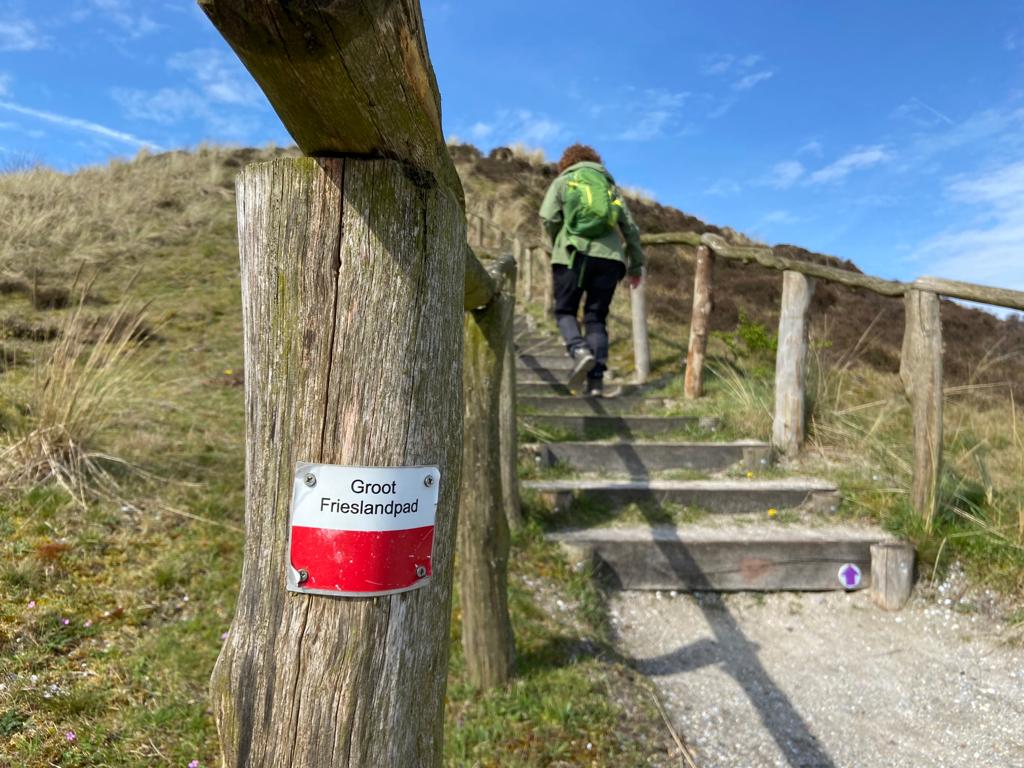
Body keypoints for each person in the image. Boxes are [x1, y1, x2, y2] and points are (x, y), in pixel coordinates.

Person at [539, 144, 645, 397]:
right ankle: (596, 382)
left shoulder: (564, 180)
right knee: (596, 318)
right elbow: (630, 227)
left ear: (567, 161)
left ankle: (579, 350)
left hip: (571, 255)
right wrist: (636, 265)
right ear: (596, 160)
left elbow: (548, 217)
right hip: (609, 259)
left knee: (564, 310)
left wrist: (559, 242)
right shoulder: (609, 187)